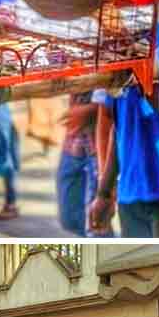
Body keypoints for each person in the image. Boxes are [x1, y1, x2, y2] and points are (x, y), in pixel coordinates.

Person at [89, 81, 159, 238]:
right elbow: (119, 131)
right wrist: (104, 193)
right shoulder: (119, 79)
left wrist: (144, 79)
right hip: (130, 199)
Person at [56, 93, 99, 237]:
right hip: (74, 143)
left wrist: (92, 109)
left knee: (96, 224)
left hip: (100, 147)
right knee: (70, 219)